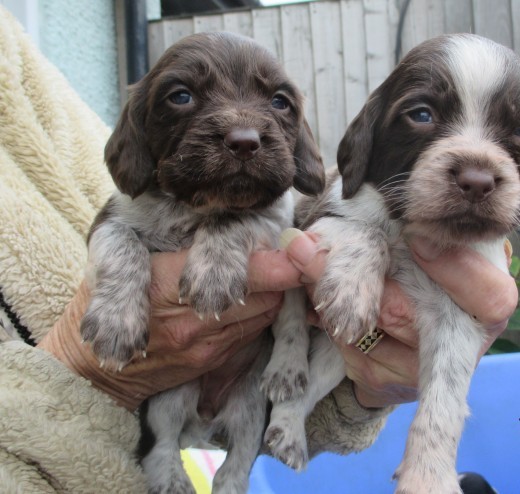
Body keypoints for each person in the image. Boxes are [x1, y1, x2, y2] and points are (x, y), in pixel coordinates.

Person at [0, 6, 516, 493]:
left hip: (253, 400)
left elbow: (295, 302)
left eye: (277, 104)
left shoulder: (35, 89)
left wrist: (362, 387)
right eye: (183, 96)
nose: (243, 130)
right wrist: (75, 364)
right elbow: (121, 215)